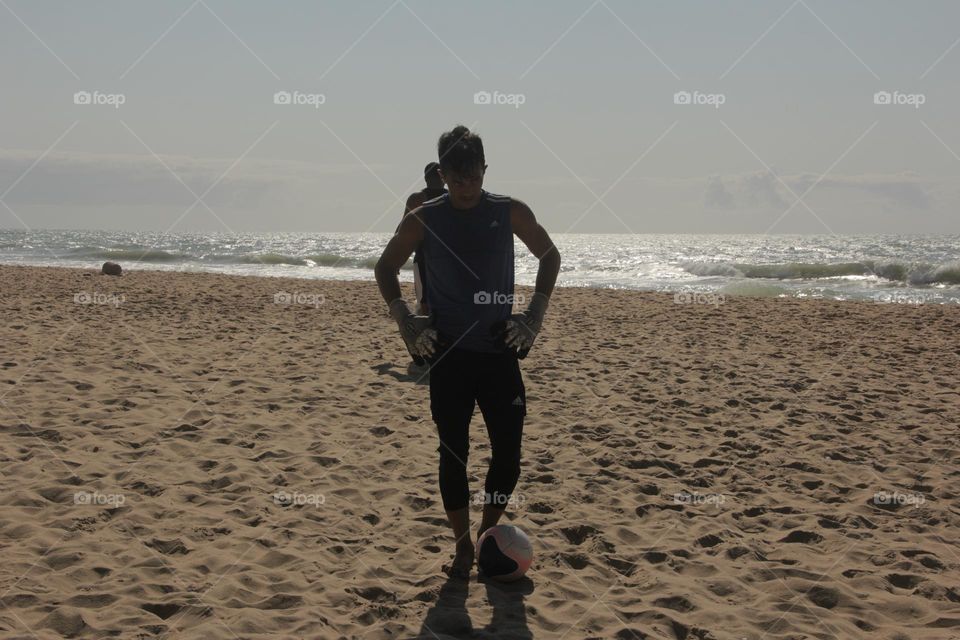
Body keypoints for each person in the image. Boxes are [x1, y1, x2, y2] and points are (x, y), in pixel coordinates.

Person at [374, 125, 561, 580]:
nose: (466, 188)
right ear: (443, 173)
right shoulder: (424, 216)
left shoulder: (509, 211)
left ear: (485, 170)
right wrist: (405, 320)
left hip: (498, 352)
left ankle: (486, 534)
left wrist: (533, 315)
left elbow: (550, 255)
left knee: (508, 456)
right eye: (457, 180)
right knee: (453, 454)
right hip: (450, 357)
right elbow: (385, 266)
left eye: (474, 177)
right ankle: (461, 548)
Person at [402, 162, 446, 316]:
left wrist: (396, 261)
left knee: (425, 302)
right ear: (444, 177)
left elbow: (403, 231)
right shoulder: (455, 197)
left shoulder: (417, 198)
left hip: (426, 256)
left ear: (426, 178)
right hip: (446, 257)